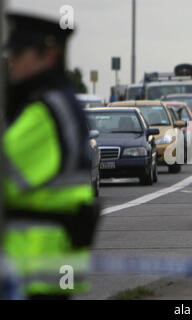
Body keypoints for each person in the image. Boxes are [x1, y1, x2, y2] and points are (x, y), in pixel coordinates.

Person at [2, 13, 100, 299]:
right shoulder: (58, 102)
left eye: (19, 52)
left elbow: (7, 171)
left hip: (34, 266)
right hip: (48, 264)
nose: (12, 60)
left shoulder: (44, 110)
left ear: (48, 55)